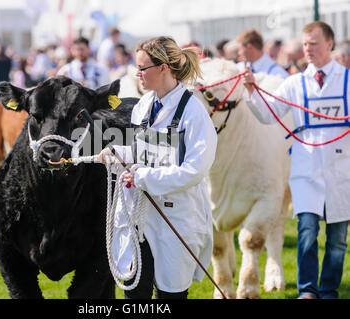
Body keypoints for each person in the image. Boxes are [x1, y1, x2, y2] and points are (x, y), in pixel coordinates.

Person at [98, 36, 217, 299]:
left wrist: (146, 176)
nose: (137, 74)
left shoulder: (194, 112)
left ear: (164, 68)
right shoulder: (143, 106)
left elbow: (195, 170)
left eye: (143, 68)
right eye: (136, 68)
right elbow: (142, 151)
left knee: (170, 295)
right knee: (135, 292)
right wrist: (118, 153)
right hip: (138, 214)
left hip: (176, 217)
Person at [241, 21, 349, 299]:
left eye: (314, 43)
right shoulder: (295, 83)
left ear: (329, 44)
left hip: (341, 170)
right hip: (306, 168)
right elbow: (268, 114)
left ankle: (329, 290)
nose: (308, 49)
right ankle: (308, 290)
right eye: (304, 44)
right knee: (307, 232)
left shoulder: (347, 81)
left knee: (337, 240)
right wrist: (252, 91)